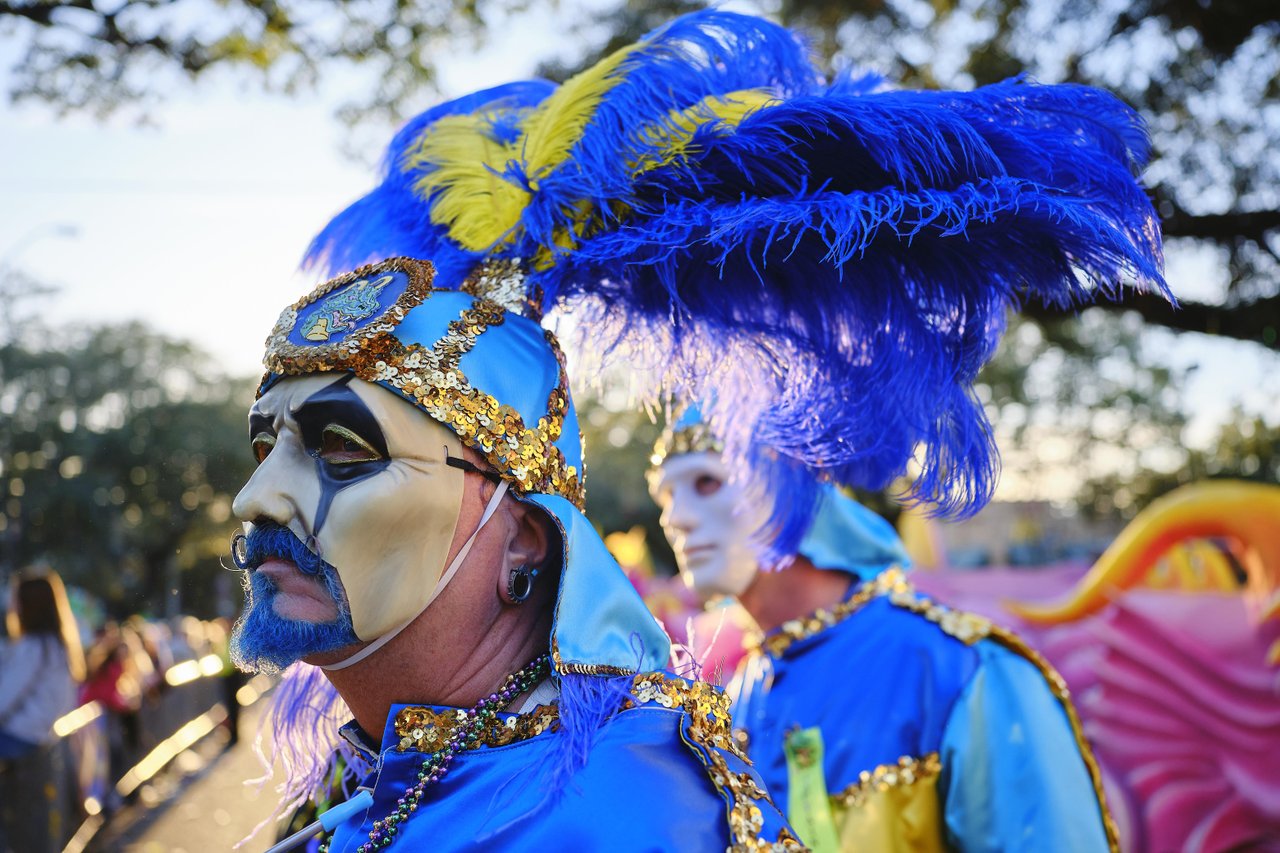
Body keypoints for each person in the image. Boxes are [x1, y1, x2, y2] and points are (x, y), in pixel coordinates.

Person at [232, 11, 1165, 850]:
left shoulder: (652, 802)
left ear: (524, 535)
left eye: (343, 450)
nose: (254, 497)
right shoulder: (376, 788)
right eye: (265, 445)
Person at [650, 416, 1119, 851]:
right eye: (666, 496)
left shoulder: (960, 669)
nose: (676, 518)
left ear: (789, 485)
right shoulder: (738, 695)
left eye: (706, 482)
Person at [0, 570, 85, 760]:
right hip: (43, 737)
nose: (10, 605)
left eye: (14, 598)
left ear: (27, 604)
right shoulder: (58, 645)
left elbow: (4, 699)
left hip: (19, 736)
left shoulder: (34, 647)